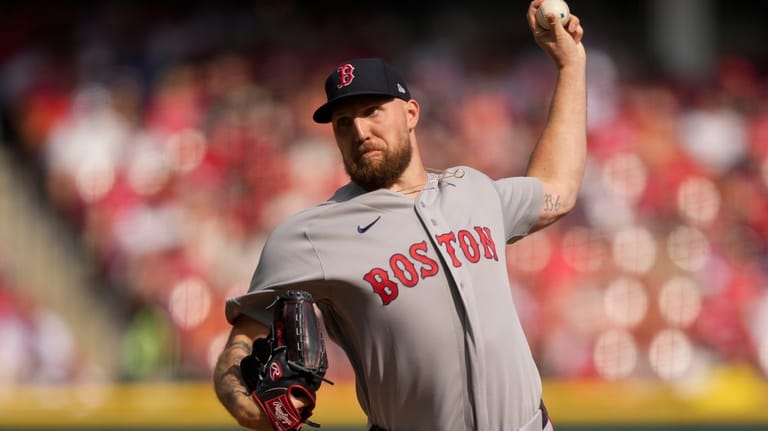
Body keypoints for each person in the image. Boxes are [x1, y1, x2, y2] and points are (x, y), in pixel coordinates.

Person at [213, 1, 586, 430]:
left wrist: (570, 65)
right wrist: (246, 407)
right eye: (343, 122)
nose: (359, 131)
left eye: (372, 111)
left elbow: (559, 189)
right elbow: (238, 346)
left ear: (411, 114)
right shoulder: (309, 235)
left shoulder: (475, 191)